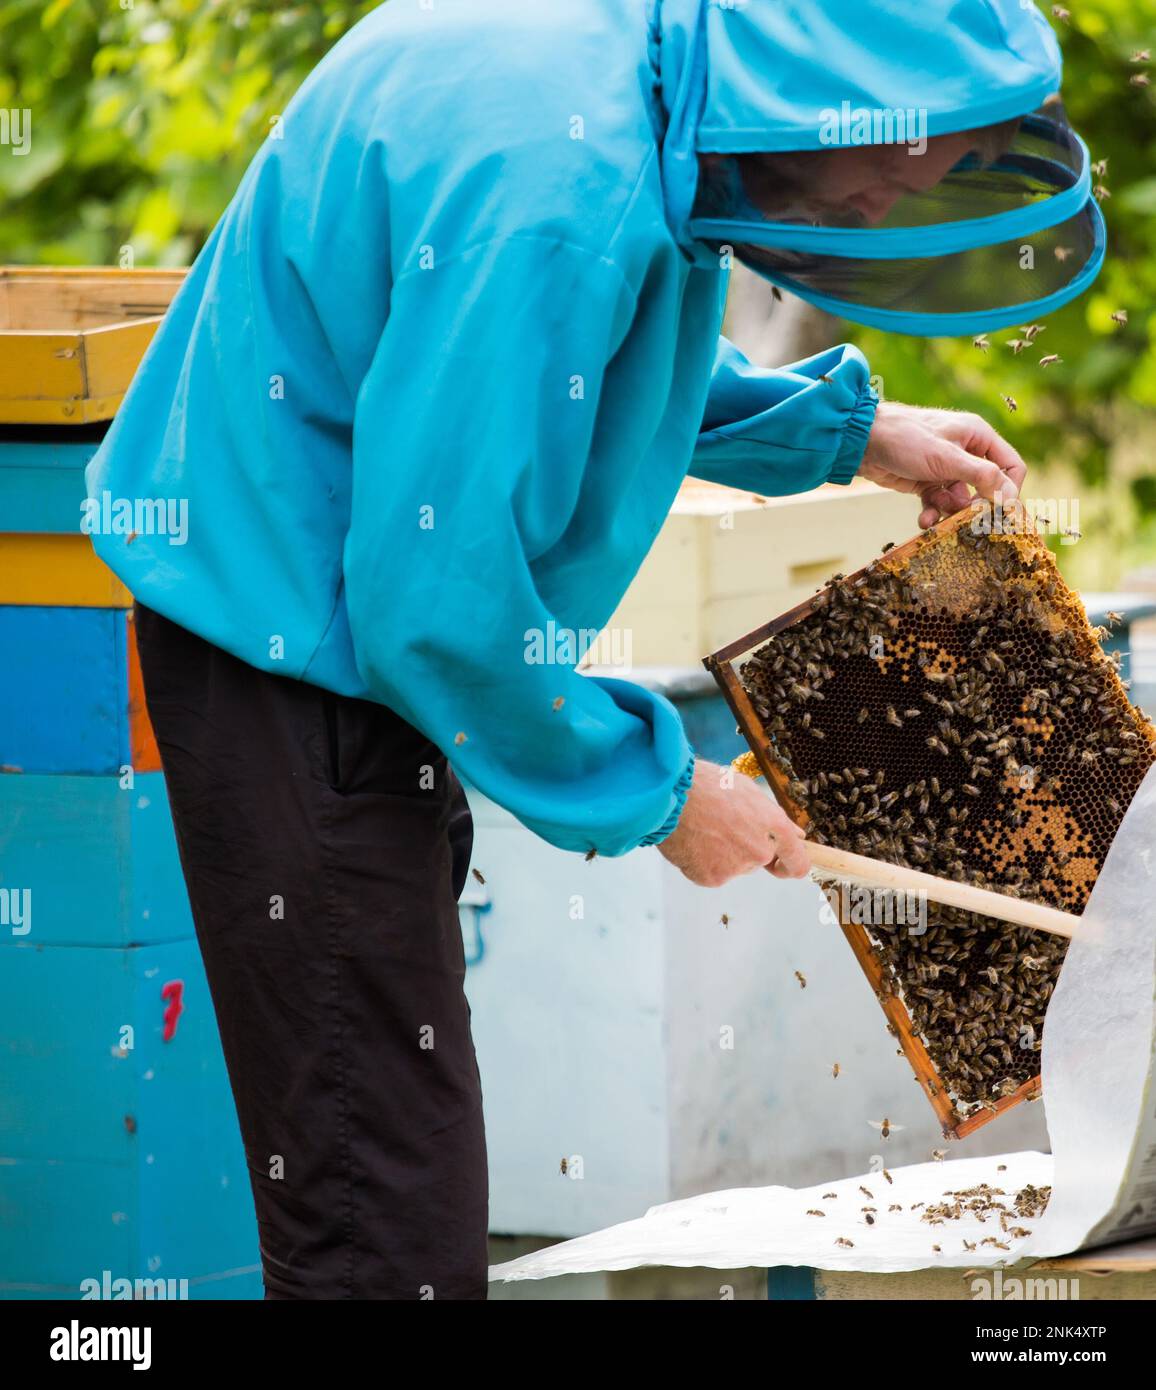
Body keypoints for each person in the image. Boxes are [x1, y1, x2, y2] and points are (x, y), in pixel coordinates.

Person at [85, 0, 1103, 1299]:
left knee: (394, 1172)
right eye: (901, 171)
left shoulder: (635, 74)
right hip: (293, 649)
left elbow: (587, 349)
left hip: (317, 618)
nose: (892, 204)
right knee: (381, 1228)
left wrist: (850, 432)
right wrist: (665, 792)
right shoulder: (555, 182)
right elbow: (435, 606)